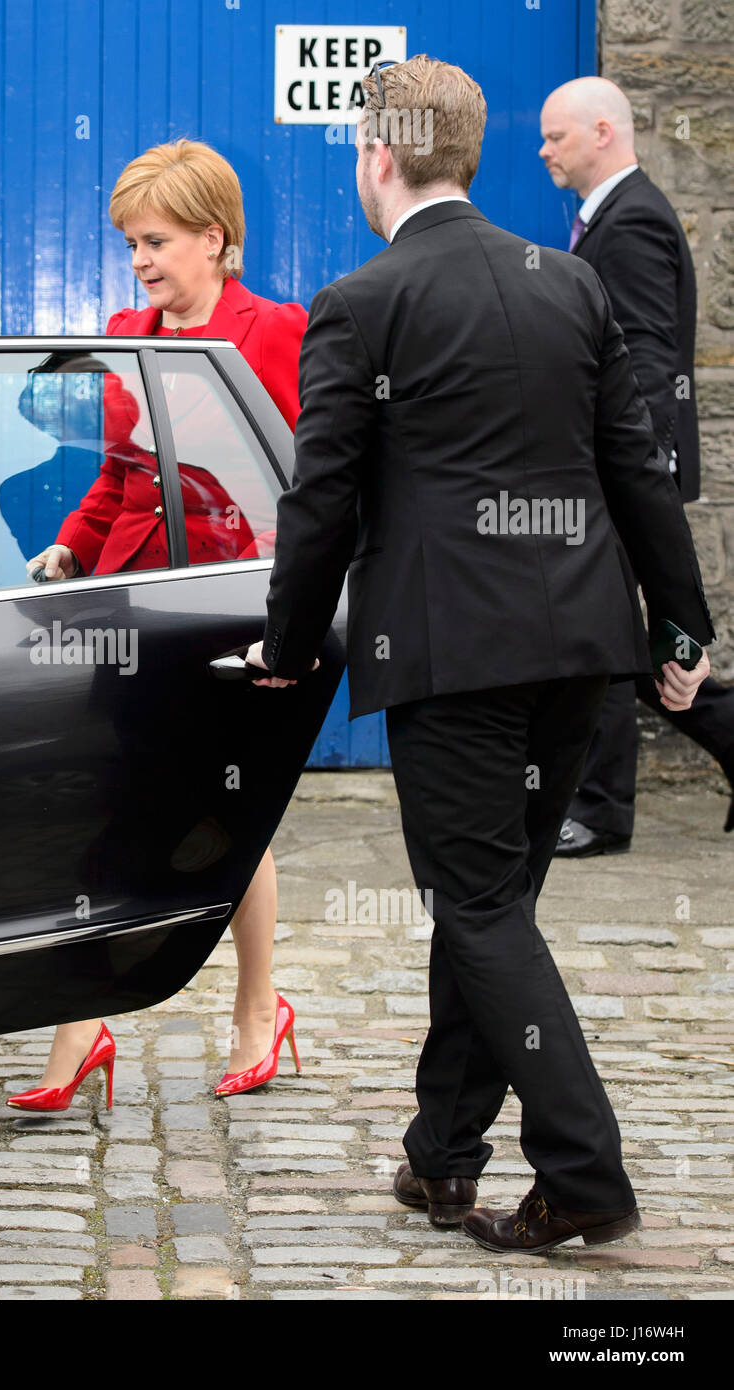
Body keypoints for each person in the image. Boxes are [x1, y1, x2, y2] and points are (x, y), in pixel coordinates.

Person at [247, 55, 712, 1253]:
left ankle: (584, 1171)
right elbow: (637, 471)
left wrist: (288, 646)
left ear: (377, 156)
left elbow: (322, 498)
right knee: (490, 906)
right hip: (579, 644)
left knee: (479, 906)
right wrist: (681, 624)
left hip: (453, 650)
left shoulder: (360, 300)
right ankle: (440, 1157)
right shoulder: (566, 284)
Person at [6, 139, 312, 1112]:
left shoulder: (276, 331)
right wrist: (69, 546)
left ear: (213, 239)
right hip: (132, 597)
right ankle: (80, 1024)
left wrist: (293, 598)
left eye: (155, 240)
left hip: (232, 603)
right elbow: (117, 474)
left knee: (231, 809)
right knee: (105, 799)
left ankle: (258, 1007)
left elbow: (307, 477)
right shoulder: (124, 330)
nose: (137, 260)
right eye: (130, 243)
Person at [537, 77, 734, 856]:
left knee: (602, 633)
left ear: (602, 132)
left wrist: (628, 469)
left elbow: (648, 359)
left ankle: (602, 810)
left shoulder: (635, 219)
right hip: (620, 468)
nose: (544, 148)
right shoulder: (618, 215)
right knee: (617, 632)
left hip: (622, 469)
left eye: (556, 135)